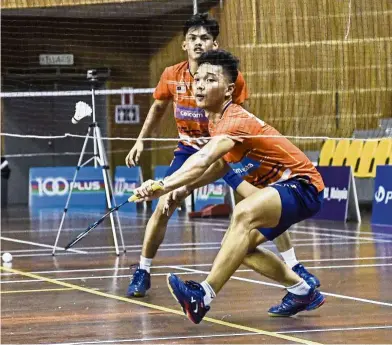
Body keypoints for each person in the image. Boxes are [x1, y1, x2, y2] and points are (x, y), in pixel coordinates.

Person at [125, 13, 319, 299]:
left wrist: (165, 184)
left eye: (204, 38)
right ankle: (143, 270)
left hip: (226, 150)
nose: (198, 43)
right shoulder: (172, 75)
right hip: (193, 150)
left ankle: (289, 267)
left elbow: (231, 133)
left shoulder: (229, 89)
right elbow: (160, 112)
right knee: (171, 209)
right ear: (184, 45)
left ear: (214, 44)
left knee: (257, 204)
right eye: (193, 38)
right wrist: (152, 156)